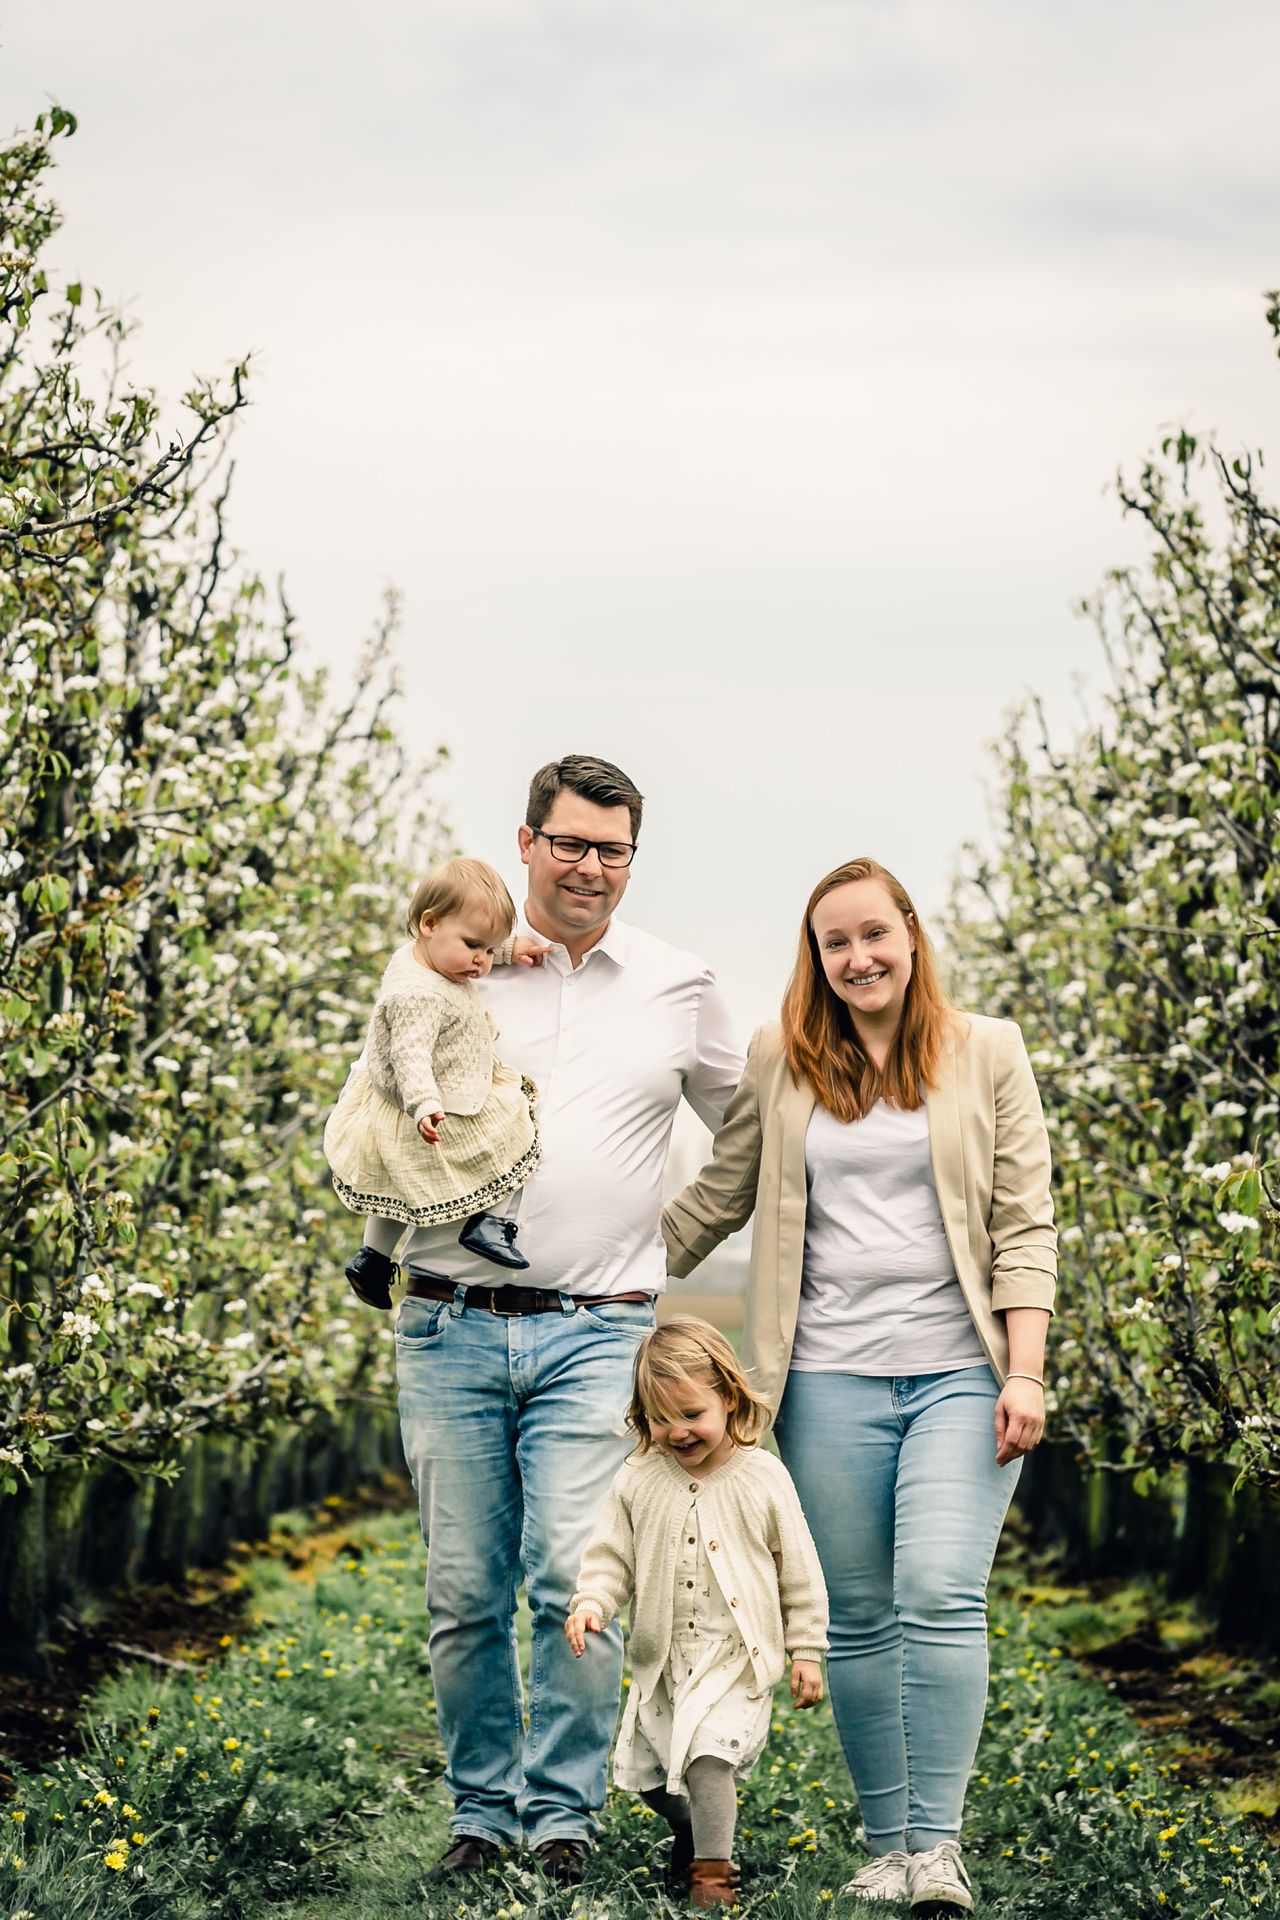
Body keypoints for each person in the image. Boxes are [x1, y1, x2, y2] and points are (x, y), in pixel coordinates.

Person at [662, 858, 1057, 1916]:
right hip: (826, 1378)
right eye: (833, 943)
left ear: (910, 936)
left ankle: (938, 1848)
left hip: (959, 1375)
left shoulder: (987, 1053)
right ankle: (887, 1845)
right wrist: (601, 1267)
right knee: (861, 1614)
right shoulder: (778, 1061)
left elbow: (1024, 1224)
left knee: (938, 1592)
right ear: (816, 957)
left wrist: (1023, 1370)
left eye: (872, 934)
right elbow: (719, 1195)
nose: (856, 957)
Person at [393, 755, 743, 1885]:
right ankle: (479, 1813)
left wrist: (665, 1246)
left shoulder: (678, 985)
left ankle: (559, 1818)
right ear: (527, 842)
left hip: (596, 1331)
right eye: (571, 843)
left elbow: (747, 1139)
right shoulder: (452, 971)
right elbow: (377, 1092)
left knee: (571, 1582)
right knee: (460, 1589)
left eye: (613, 848)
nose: (591, 866)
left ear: (632, 858)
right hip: (446, 1322)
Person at [566, 1318, 828, 1909]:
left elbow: (800, 1571)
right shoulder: (637, 1478)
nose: (676, 1432)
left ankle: (712, 1876)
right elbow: (611, 1558)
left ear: (729, 1399)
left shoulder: (761, 1478)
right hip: (663, 1658)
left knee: (708, 1759)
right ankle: (694, 1830)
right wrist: (592, 1604)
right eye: (660, 1419)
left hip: (733, 1655)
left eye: (691, 1415)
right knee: (651, 1778)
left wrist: (806, 1649)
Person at [323, 857, 544, 1309]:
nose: (481, 962)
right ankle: (486, 1222)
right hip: (430, 1099)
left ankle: (372, 1259)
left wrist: (509, 950)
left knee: (398, 1183)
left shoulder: (422, 957)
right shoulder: (417, 995)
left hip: (395, 1105)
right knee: (509, 1129)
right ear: (429, 923)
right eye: (475, 947)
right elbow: (410, 1054)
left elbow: (463, 943)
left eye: (489, 950)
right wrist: (424, 1103)